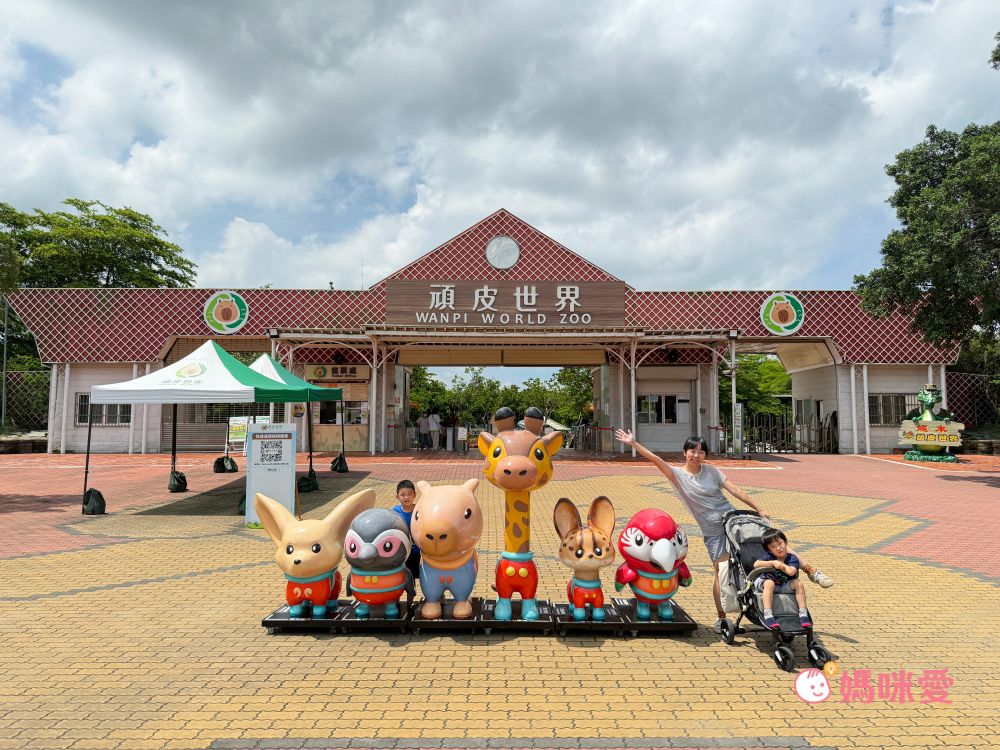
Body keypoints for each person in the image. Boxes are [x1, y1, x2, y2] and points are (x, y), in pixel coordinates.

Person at [614, 430, 833, 634]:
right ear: (685, 452)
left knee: (776, 544)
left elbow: (734, 490)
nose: (696, 455)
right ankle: (721, 617)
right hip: (713, 532)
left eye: (701, 452)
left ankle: (811, 571)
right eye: (692, 451)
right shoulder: (677, 475)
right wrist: (633, 443)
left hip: (733, 521)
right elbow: (656, 460)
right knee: (722, 573)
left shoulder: (711, 471)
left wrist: (758, 508)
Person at [754, 527, 811, 629]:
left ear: (786, 542)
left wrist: (781, 565)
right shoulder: (768, 557)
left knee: (798, 583)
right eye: (773, 547)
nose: (778, 548)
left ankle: (803, 613)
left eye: (780, 544)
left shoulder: (792, 558)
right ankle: (768, 614)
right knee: (769, 583)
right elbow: (756, 564)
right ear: (769, 550)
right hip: (765, 583)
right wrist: (773, 562)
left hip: (783, 585)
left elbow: (791, 572)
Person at [390, 479, 421, 586]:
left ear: (415, 495)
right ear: (397, 496)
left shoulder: (419, 510)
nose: (406, 497)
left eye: (409, 494)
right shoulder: (395, 511)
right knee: (404, 576)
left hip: (417, 551)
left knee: (418, 574)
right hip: (402, 552)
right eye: (402, 495)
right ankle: (407, 594)